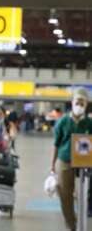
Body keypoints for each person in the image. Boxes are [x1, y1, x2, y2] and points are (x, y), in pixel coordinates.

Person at [51, 88, 92, 231]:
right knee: (64, 194)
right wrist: (52, 165)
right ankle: (71, 225)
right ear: (72, 102)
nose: (79, 105)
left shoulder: (89, 123)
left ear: (86, 104)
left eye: (82, 102)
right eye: (77, 102)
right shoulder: (62, 121)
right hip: (65, 160)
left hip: (84, 163)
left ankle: (83, 223)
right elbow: (56, 144)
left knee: (84, 194)